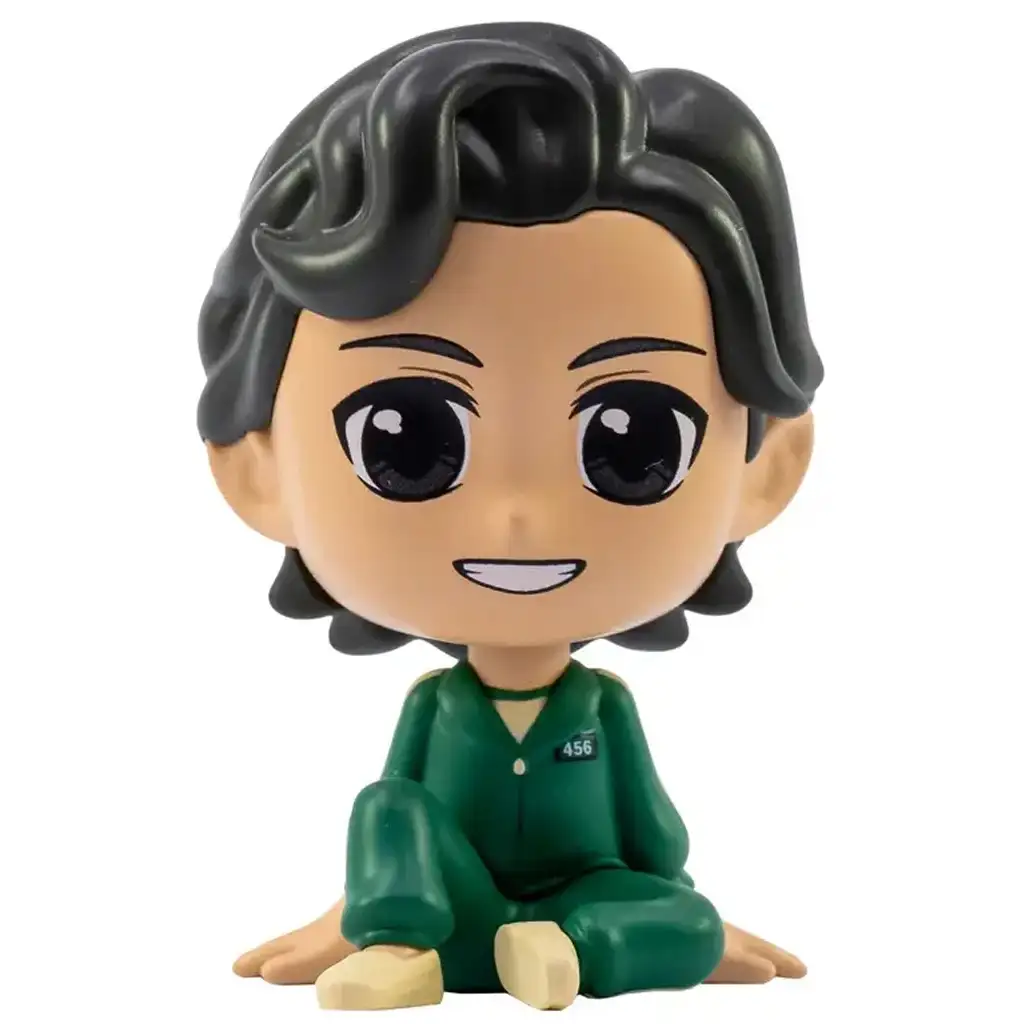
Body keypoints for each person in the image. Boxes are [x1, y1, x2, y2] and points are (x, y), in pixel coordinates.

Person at [198, 21, 822, 1011]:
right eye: (407, 439)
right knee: (389, 801)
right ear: (257, 469)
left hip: (588, 902)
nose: (519, 515)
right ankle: (400, 947)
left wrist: (676, 913)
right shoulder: (435, 711)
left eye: (633, 441)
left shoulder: (605, 711)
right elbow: (396, 826)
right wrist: (363, 909)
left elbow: (656, 842)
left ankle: (566, 952)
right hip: (451, 910)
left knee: (684, 922)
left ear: (765, 466)